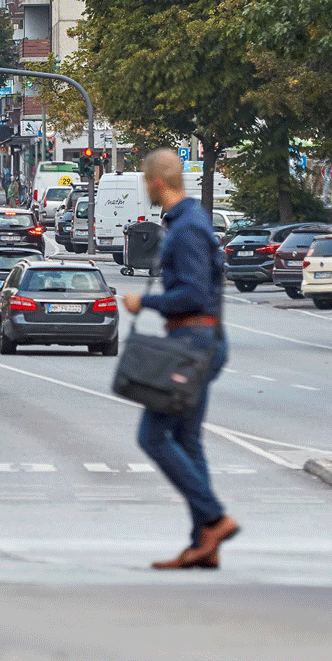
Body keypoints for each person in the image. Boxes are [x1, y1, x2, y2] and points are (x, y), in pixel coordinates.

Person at [119, 150, 241, 570]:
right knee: (187, 441)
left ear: (155, 182)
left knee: (152, 437)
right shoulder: (193, 222)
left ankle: (214, 517)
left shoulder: (187, 229)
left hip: (192, 342)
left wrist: (144, 301)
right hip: (201, 341)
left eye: (144, 182)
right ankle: (203, 544)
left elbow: (192, 293)